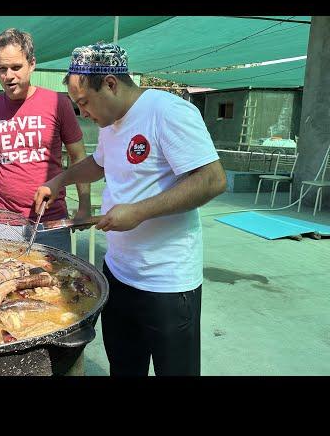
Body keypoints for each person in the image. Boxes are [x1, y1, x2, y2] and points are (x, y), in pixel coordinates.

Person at [34, 43, 227, 376]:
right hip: (118, 275)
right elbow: (98, 164)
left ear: (110, 84)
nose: (82, 114)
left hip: (167, 282)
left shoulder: (168, 111)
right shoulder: (111, 123)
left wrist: (138, 211)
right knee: (124, 367)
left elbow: (212, 179)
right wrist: (57, 182)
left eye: (84, 102)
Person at [0, 28, 91, 252]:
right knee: (2, 280)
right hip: (4, 222)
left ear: (32, 64)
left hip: (50, 222)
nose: (9, 76)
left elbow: (78, 156)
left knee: (56, 284)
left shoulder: (57, 104)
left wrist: (84, 205)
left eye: (16, 67)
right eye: (2, 69)